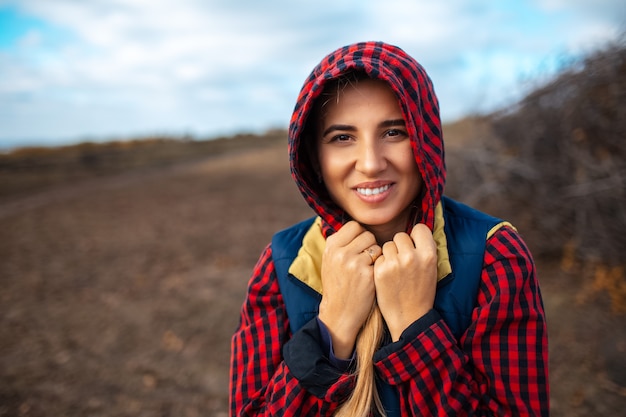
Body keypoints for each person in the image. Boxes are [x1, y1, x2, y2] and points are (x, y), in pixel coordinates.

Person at [229, 41, 549, 416]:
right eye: (342, 137)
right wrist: (333, 326)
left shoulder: (496, 255)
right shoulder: (282, 262)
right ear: (314, 155)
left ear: (426, 140)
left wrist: (416, 326)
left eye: (394, 132)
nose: (370, 163)